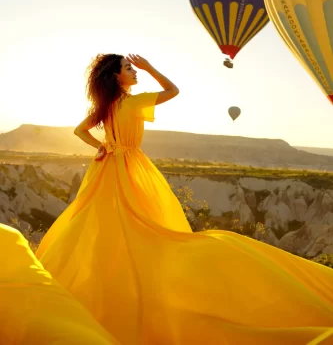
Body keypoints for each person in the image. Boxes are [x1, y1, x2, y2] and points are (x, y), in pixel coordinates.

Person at [36, 53, 333, 345]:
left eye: (134, 67)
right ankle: (142, 287)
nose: (134, 71)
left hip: (106, 169)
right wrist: (150, 67)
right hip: (130, 167)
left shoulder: (105, 106)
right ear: (117, 76)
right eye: (129, 68)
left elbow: (78, 130)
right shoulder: (134, 102)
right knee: (146, 226)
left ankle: (101, 289)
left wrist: (100, 147)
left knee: (104, 226)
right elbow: (173, 91)